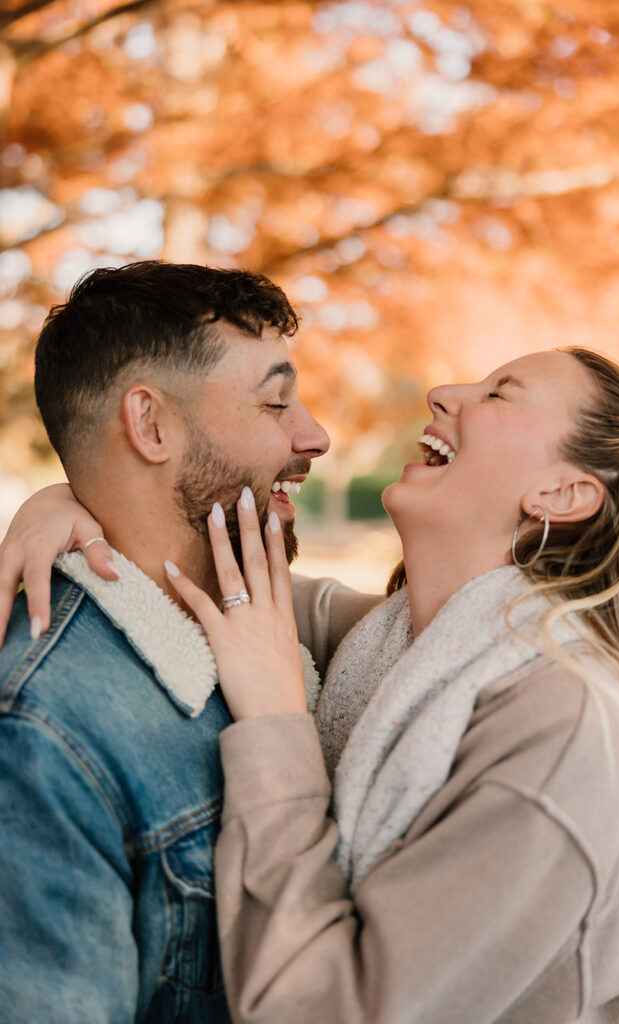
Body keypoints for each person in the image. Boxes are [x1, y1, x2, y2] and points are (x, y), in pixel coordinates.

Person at [4, 348, 619, 1022]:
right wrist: (63, 502)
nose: (442, 389)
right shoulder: (399, 645)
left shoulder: (562, 725)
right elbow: (194, 571)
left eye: (500, 394)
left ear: (561, 494)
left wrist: (274, 724)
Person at [0, 260, 377, 1024]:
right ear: (151, 425)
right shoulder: (44, 734)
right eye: (276, 402)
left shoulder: (283, 645)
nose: (314, 435)